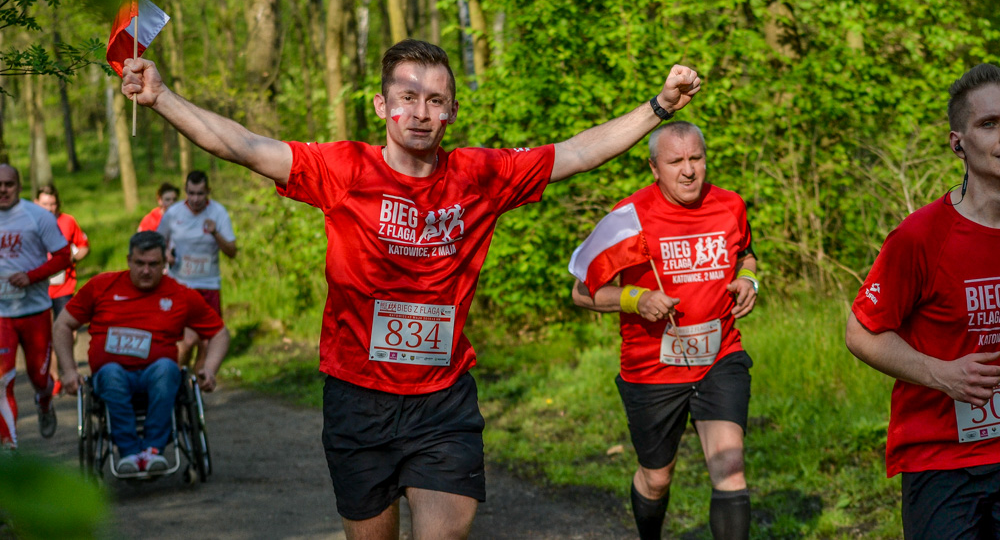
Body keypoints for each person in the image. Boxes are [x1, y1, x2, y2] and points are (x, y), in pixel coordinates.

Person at [120, 39, 701, 539]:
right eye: (407, 97)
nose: (421, 112)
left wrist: (658, 107)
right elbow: (242, 145)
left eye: (435, 100)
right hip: (358, 399)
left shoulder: (479, 175)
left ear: (450, 112)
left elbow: (576, 152)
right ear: (382, 106)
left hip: (442, 401)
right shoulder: (344, 170)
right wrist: (163, 97)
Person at [570, 121, 758, 540]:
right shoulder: (629, 219)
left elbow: (747, 254)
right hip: (651, 370)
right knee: (657, 477)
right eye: (676, 161)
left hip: (719, 358)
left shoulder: (730, 206)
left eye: (697, 158)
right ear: (654, 167)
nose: (689, 170)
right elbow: (581, 292)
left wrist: (750, 280)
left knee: (730, 468)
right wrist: (636, 299)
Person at [846, 63, 1000, 539]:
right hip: (942, 459)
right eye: (989, 124)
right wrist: (944, 374)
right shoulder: (920, 237)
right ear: (958, 143)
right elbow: (861, 333)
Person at [53, 231, 230, 473]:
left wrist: (209, 368)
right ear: (128, 260)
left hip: (157, 374)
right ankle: (130, 453)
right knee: (112, 373)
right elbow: (63, 324)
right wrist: (70, 371)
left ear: (165, 264)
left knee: (168, 369)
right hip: (112, 375)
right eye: (140, 263)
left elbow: (219, 332)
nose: (146, 271)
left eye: (153, 264)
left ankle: (152, 450)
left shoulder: (181, 294)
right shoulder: (101, 286)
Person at [0, 165, 72, 447]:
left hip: (35, 310)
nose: (2, 189)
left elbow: (63, 256)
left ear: (18, 186)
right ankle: (10, 446)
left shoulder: (38, 216)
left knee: (39, 376)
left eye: (8, 184)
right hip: (2, 314)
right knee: (3, 379)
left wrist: (31, 276)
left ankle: (44, 401)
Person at [157, 171, 236, 369]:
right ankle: (175, 381)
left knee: (208, 344)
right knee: (186, 342)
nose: (195, 199)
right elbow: (156, 243)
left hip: (209, 285)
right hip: (180, 286)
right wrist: (165, 253)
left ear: (208, 191)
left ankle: (194, 388)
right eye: (191, 193)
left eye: (200, 194)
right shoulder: (174, 213)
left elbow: (232, 251)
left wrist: (216, 233)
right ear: (185, 192)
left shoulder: (218, 213)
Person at [35, 184, 90, 396]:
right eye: (44, 204)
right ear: (37, 203)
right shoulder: (30, 222)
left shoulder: (68, 221)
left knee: (70, 331)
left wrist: (70, 258)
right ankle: (56, 378)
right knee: (48, 334)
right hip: (39, 288)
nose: (49, 208)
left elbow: (83, 246)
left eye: (52, 204)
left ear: (58, 204)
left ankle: (65, 370)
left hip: (64, 287)